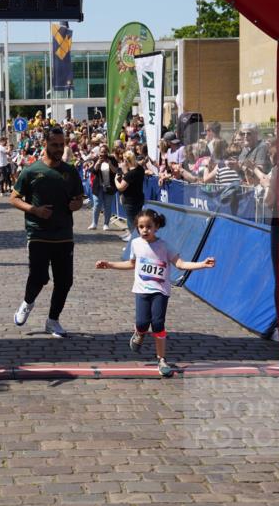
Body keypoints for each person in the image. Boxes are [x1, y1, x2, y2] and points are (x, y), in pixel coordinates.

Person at [95, 208, 215, 377]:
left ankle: (162, 359)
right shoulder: (136, 244)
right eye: (141, 227)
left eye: (149, 226)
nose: (145, 230)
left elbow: (180, 264)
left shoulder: (165, 246)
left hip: (160, 292)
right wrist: (109, 264)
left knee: (158, 325)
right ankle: (139, 332)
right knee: (142, 322)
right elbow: (131, 264)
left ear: (156, 226)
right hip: (142, 291)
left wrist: (202, 264)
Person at [10, 125, 85, 338]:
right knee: (39, 276)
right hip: (38, 233)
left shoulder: (70, 172)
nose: (59, 148)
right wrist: (34, 210)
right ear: (45, 144)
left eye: (62, 145)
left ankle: (53, 320)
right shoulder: (32, 171)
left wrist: (75, 205)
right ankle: (27, 302)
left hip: (63, 234)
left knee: (65, 281)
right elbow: (14, 198)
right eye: (55, 145)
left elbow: (79, 199)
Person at [115, 150, 145, 241]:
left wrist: (116, 180)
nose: (123, 163)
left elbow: (121, 187)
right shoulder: (140, 169)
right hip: (138, 198)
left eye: (124, 161)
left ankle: (133, 237)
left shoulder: (131, 174)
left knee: (132, 221)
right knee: (131, 219)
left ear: (127, 161)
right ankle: (130, 234)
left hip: (131, 200)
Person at [88, 144, 118, 231]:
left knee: (107, 206)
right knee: (97, 204)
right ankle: (94, 223)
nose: (103, 154)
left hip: (109, 186)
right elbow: (93, 171)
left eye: (105, 152)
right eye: (102, 152)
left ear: (107, 152)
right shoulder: (96, 159)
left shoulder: (112, 159)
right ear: (99, 152)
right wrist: (98, 163)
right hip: (98, 186)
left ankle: (106, 224)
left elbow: (115, 171)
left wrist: (109, 163)